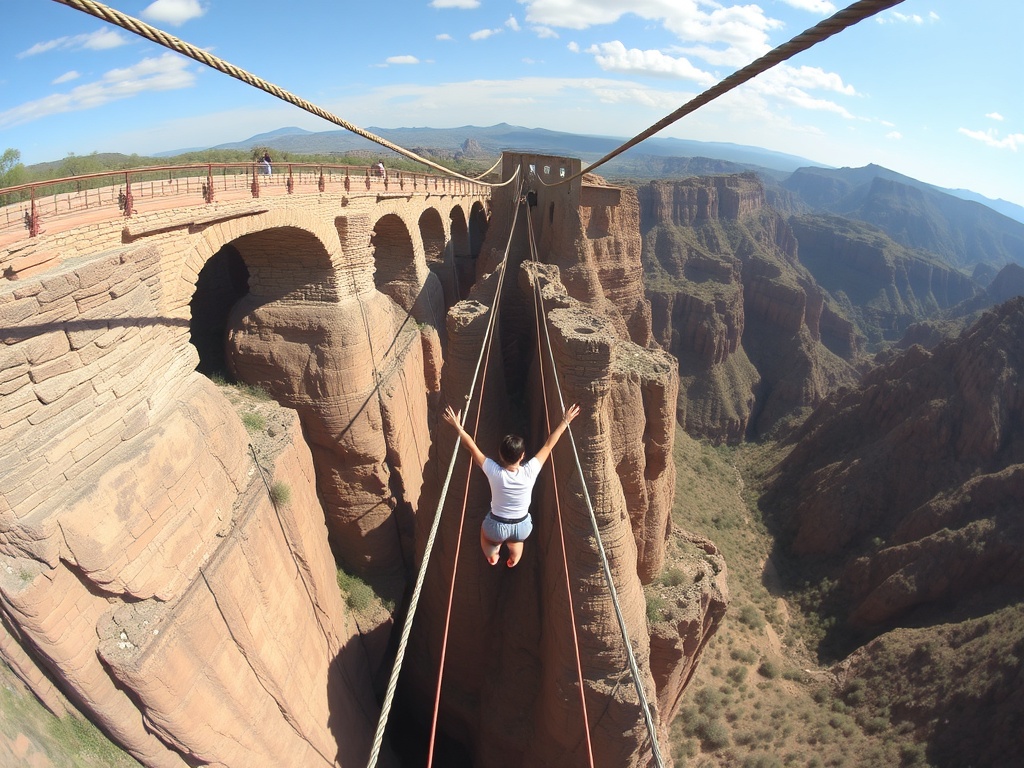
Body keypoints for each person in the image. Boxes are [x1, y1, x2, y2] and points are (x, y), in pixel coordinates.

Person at [442, 402, 580, 567]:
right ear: (522, 456)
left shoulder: (494, 471)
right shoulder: (530, 470)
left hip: (496, 527)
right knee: (517, 540)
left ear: (500, 455)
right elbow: (548, 445)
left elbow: (472, 447)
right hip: (522, 527)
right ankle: (513, 558)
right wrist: (565, 421)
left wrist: (458, 427)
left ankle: (492, 554)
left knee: (486, 534)